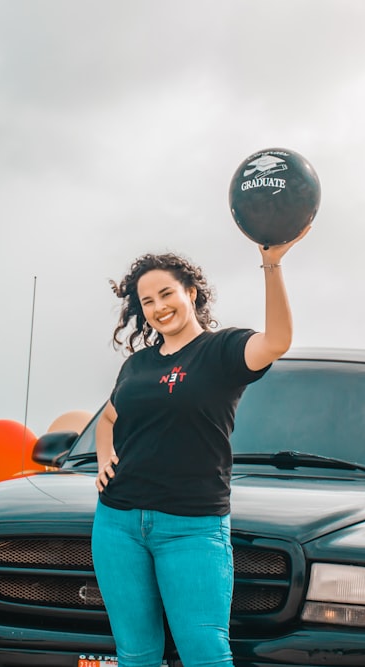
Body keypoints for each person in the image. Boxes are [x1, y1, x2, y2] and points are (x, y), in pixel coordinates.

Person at [91, 228, 309, 667]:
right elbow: (109, 418)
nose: (158, 307)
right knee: (135, 655)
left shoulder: (222, 351)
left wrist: (271, 263)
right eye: (146, 301)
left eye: (166, 293)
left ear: (191, 292)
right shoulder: (138, 365)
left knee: (205, 654)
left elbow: (277, 341)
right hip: (116, 524)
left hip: (191, 527)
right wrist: (103, 456)